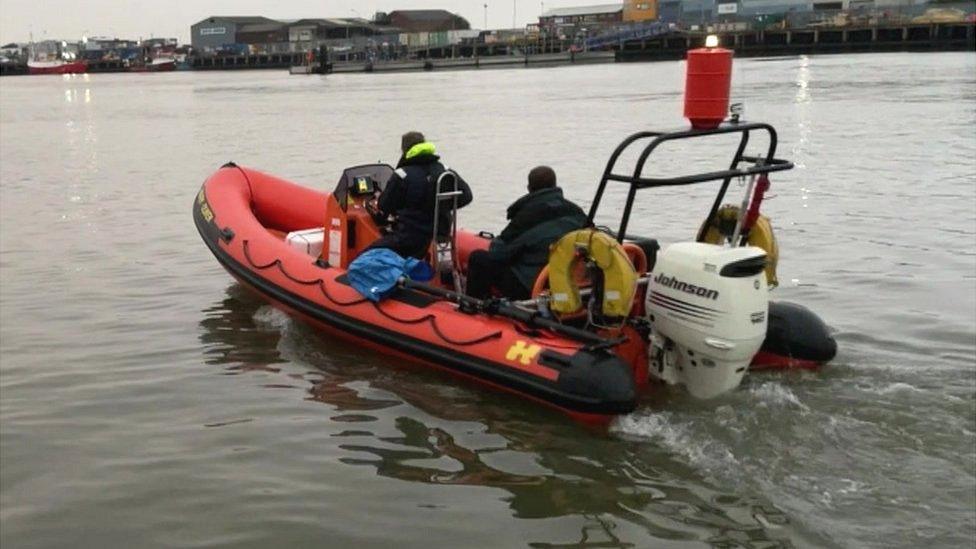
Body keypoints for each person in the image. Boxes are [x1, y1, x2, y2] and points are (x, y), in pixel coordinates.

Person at [466, 166, 588, 300]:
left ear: (529, 188)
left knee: (478, 259)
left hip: (532, 285)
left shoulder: (526, 218)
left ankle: (473, 307)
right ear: (555, 185)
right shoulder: (576, 212)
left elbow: (498, 253)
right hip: (570, 280)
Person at [368, 131, 472, 259]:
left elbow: (384, 206)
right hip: (441, 233)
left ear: (404, 150)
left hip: (410, 238)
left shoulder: (402, 175)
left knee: (367, 255)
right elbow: (467, 196)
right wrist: (442, 206)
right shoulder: (444, 170)